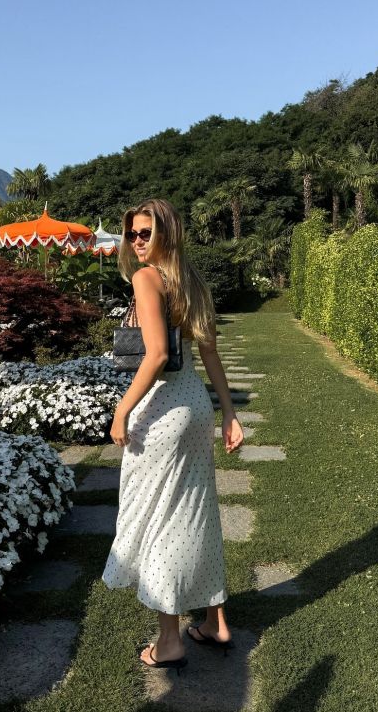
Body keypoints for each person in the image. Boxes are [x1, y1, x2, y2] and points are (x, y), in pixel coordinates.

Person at [102, 198, 244, 673]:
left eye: (146, 233)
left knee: (162, 518)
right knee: (197, 511)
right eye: (132, 234)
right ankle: (215, 620)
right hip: (195, 406)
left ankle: (169, 641)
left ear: (168, 234)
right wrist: (228, 412)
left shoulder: (147, 279)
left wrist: (122, 409)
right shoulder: (192, 281)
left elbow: (158, 354)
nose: (137, 242)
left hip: (162, 410)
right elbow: (210, 353)